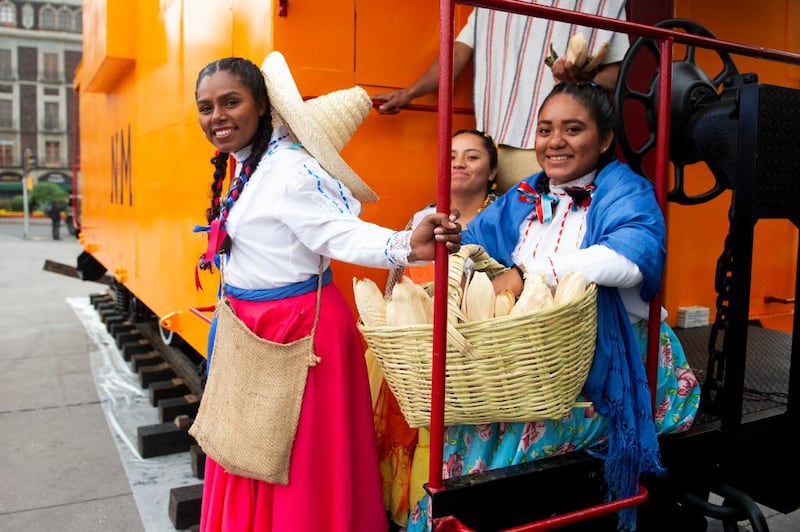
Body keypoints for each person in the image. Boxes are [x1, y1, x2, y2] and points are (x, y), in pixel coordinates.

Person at [405, 82, 701, 532]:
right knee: (464, 420)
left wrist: (528, 275)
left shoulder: (626, 190)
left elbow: (630, 260)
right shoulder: (524, 195)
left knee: (512, 444)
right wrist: (444, 243)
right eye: (545, 130)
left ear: (604, 139)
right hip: (533, 361)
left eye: (573, 129)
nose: (555, 141)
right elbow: (474, 246)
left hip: (612, 359)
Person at [192, 52, 462, 532]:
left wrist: (404, 245)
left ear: (261, 106)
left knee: (300, 465)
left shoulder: (289, 172)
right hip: (256, 328)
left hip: (298, 330)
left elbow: (339, 234)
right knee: (250, 446)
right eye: (206, 107)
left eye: (230, 102)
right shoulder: (247, 165)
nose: (217, 117)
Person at [373, 128, 499, 528]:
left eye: (472, 156)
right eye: (452, 156)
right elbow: (397, 276)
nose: (460, 162)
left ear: (493, 170)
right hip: (416, 338)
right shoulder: (421, 216)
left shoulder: (500, 216)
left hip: (469, 344)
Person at [374, 0, 629, 193]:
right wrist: (409, 93)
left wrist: (584, 81)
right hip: (494, 147)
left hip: (556, 145)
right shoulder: (487, 5)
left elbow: (617, 72)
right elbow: (456, 56)